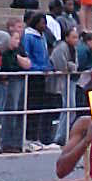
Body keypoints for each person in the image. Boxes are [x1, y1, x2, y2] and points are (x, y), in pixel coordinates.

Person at [22, 11, 54, 148]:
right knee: (31, 107)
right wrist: (38, 68)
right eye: (42, 23)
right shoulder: (28, 37)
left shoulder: (42, 37)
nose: (44, 26)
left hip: (42, 76)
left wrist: (48, 67)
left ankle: (35, 137)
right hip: (33, 76)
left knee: (39, 107)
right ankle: (29, 137)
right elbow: (27, 56)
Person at [1, 23, 30, 153]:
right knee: (11, 111)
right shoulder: (6, 51)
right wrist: (19, 59)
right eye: (16, 38)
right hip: (12, 81)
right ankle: (7, 142)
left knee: (20, 111)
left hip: (21, 80)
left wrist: (20, 59)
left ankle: (18, 142)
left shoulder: (21, 48)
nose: (18, 41)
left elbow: (28, 64)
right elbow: (9, 65)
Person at [48, 26, 79, 147]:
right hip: (62, 81)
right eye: (73, 37)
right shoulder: (61, 48)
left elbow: (75, 65)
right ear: (66, 37)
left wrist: (71, 66)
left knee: (71, 109)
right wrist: (70, 66)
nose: (76, 40)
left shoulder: (73, 49)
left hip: (70, 80)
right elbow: (61, 66)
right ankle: (59, 137)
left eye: (77, 37)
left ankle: (63, 135)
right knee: (68, 108)